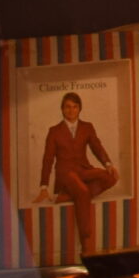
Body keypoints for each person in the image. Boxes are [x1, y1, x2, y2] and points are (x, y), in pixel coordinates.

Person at [32, 92, 118, 255]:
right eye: (67, 107)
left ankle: (65, 197)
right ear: (62, 109)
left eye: (74, 107)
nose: (71, 110)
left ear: (79, 109)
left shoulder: (87, 127)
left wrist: (107, 164)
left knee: (111, 177)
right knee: (83, 192)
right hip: (66, 174)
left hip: (83, 170)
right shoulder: (54, 131)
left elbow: (97, 147)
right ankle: (86, 243)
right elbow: (48, 159)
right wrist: (44, 186)